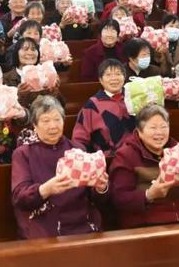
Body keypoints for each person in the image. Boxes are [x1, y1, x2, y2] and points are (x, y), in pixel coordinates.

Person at [12, 96, 109, 239]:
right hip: (45, 223)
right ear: (35, 125)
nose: (53, 126)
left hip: (82, 222)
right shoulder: (23, 153)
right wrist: (46, 189)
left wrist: (100, 188)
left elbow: (95, 198)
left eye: (57, 119)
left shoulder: (77, 149)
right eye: (46, 121)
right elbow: (20, 198)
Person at [110, 104, 179, 227]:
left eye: (164, 127)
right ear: (139, 131)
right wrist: (149, 195)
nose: (159, 133)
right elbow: (118, 199)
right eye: (153, 128)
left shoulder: (178, 150)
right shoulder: (126, 156)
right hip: (144, 225)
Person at [73, 59, 135, 156]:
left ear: (124, 77)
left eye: (118, 74)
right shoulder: (92, 105)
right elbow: (79, 138)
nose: (114, 78)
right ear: (101, 80)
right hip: (106, 158)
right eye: (108, 75)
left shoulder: (134, 98)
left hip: (136, 155)